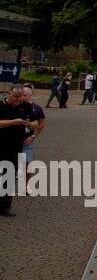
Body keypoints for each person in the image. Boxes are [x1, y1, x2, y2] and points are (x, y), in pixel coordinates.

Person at [0, 86, 37, 216]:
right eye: (15, 96)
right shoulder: (1, 105)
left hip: (15, 148)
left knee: (9, 177)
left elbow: (35, 123)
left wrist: (29, 125)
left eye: (21, 96)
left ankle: (5, 206)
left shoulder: (25, 106)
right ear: (9, 94)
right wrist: (13, 122)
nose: (18, 99)